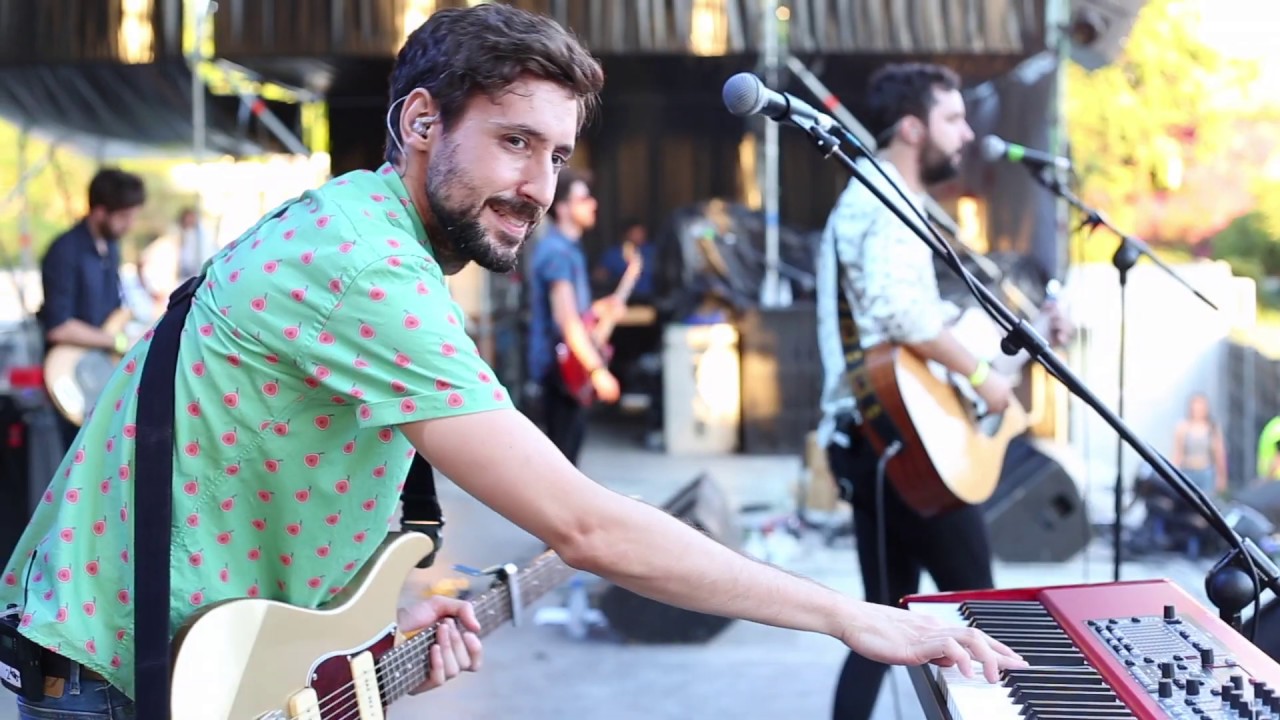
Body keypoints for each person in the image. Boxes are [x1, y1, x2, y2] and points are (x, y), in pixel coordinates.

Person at [1, 10, 1024, 718]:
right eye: (514, 142)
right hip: (125, 682)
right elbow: (585, 527)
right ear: (420, 122)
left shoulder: (363, 233)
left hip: (181, 657)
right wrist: (854, 619)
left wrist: (379, 617)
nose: (538, 186)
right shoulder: (365, 265)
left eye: (557, 156)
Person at [815, 62, 1067, 720]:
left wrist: (1030, 340)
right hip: (896, 442)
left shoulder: (875, 195)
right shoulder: (886, 197)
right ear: (911, 127)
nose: (966, 133)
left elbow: (919, 330)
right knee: (981, 615)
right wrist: (983, 379)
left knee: (880, 624)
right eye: (952, 118)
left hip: (873, 438)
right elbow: (904, 316)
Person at [37, 168, 146, 451]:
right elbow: (59, 326)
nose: (130, 224)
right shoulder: (64, 251)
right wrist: (117, 341)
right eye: (124, 216)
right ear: (99, 212)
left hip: (102, 370)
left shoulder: (111, 248)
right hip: (71, 373)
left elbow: (114, 310)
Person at [525, 169, 623, 465]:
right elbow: (567, 322)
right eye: (583, 199)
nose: (593, 204)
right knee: (564, 463)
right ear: (563, 208)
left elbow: (574, 313)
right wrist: (597, 371)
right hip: (561, 371)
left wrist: (599, 309)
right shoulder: (558, 253)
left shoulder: (567, 250)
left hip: (567, 368)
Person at [1171, 393, 1227, 495]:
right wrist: (1173, 474)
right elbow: (1178, 453)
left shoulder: (1212, 427)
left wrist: (1222, 477)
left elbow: (1219, 454)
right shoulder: (1183, 427)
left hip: (1206, 473)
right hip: (1187, 472)